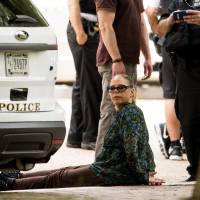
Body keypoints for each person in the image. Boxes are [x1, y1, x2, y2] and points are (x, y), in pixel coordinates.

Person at [0, 75, 164, 191]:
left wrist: (143, 176)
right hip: (107, 168)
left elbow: (132, 149)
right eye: (112, 88)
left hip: (113, 173)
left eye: (121, 88)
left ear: (132, 92)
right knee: (62, 172)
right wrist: (147, 169)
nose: (115, 91)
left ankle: (11, 184)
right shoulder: (125, 113)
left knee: (59, 178)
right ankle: (17, 177)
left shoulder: (131, 113)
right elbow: (143, 147)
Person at [94, 0, 153, 158]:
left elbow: (141, 24)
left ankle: (123, 165)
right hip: (113, 62)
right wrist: (116, 60)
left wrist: (147, 56)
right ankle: (101, 164)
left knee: (128, 114)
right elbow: (105, 26)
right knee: (111, 112)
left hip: (130, 60)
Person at [157, 0, 200, 181]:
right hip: (186, 67)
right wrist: (170, 21)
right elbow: (160, 29)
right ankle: (195, 170)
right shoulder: (177, 2)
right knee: (188, 118)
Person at [146, 0, 183, 160]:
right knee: (171, 95)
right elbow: (153, 20)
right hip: (173, 47)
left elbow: (152, 15)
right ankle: (175, 144)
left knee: (176, 95)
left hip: (177, 44)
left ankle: (178, 143)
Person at [66, 0, 102, 150]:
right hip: (83, 29)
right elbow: (72, 4)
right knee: (90, 84)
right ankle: (91, 136)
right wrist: (80, 32)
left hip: (92, 29)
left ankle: (76, 135)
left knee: (82, 83)